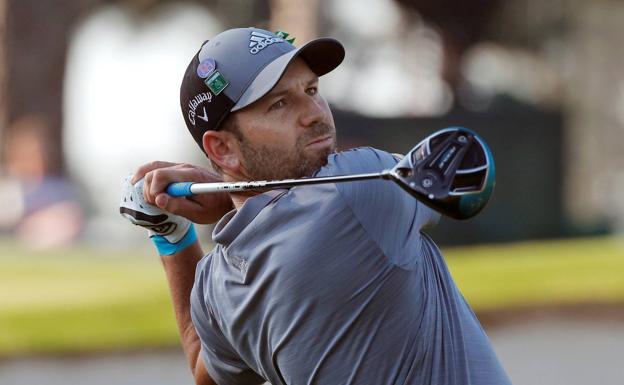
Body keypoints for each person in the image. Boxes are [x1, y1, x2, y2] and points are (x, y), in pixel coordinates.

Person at [121, 27, 511, 385]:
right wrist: (224, 196)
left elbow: (202, 368)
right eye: (278, 104)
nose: (314, 114)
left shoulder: (218, 287)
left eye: (310, 90)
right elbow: (456, 169)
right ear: (222, 148)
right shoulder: (357, 191)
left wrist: (171, 236)